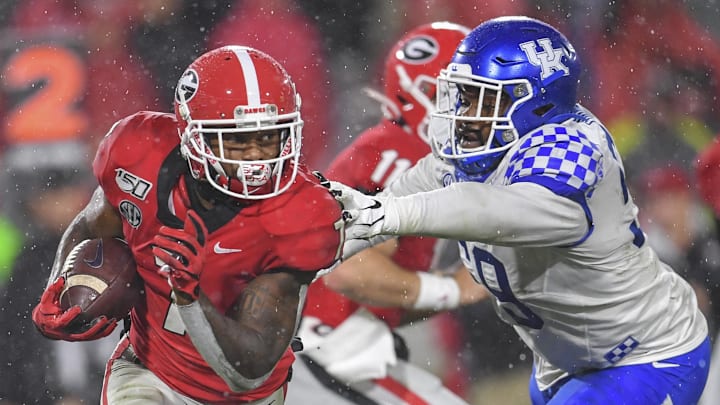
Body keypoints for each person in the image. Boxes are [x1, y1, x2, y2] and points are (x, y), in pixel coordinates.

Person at [327, 16, 710, 404]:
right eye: (465, 95)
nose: (468, 113)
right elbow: (398, 198)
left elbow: (487, 210)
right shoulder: (478, 149)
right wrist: (340, 226)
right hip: (564, 361)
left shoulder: (573, 150)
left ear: (538, 103)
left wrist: (387, 216)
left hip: (646, 354)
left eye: (487, 99)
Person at [30, 45, 344, 404]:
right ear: (192, 136)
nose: (258, 157)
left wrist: (192, 298)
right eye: (238, 141)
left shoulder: (300, 213)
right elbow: (92, 225)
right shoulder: (136, 154)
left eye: (269, 137)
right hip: (149, 373)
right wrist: (58, 289)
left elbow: (245, 372)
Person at [285, 22, 487, 405]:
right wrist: (452, 288)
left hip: (325, 343)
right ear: (428, 94)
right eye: (470, 94)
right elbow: (350, 271)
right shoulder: (402, 158)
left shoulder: (390, 149)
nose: (481, 111)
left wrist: (453, 289)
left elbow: (378, 301)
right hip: (327, 348)